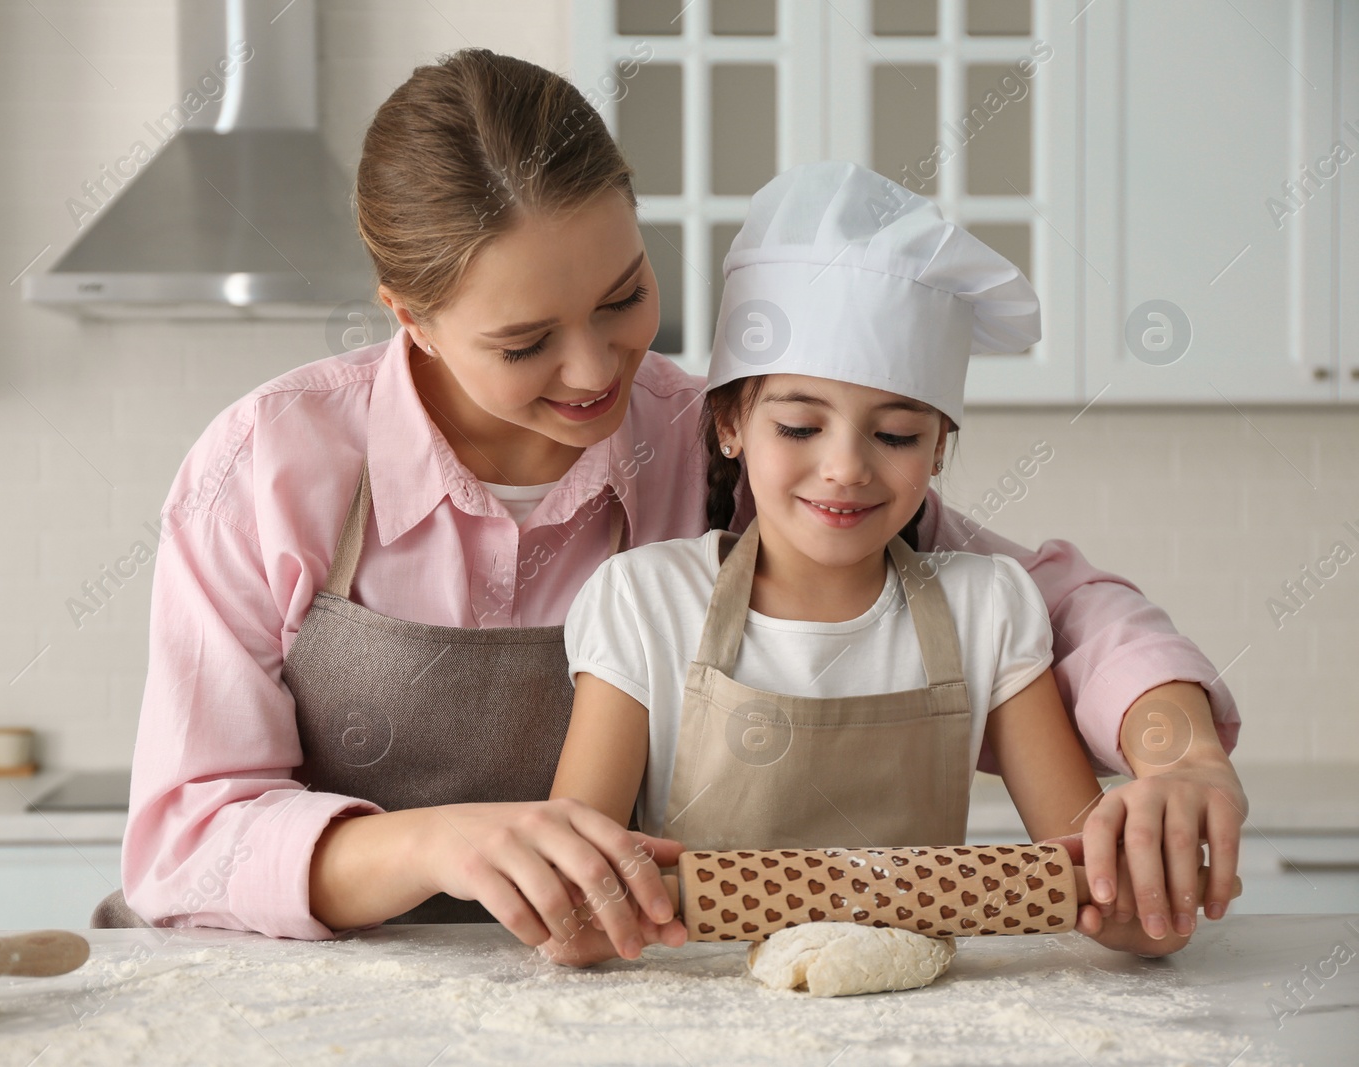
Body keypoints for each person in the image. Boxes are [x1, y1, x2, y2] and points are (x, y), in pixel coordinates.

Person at [120, 49, 1245, 964]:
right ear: (406, 315)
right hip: (320, 997)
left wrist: (1177, 748)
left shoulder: (713, 435)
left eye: (625, 297)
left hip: (629, 1000)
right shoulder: (267, 469)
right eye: (523, 342)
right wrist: (436, 845)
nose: (595, 370)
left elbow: (1052, 607)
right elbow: (185, 842)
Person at [552, 160, 1217, 960]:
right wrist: (589, 903)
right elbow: (574, 902)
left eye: (896, 435)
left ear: (939, 447)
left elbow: (1104, 890)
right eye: (799, 427)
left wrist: (1145, 868)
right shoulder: (644, 602)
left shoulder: (990, 609)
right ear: (730, 423)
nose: (846, 468)